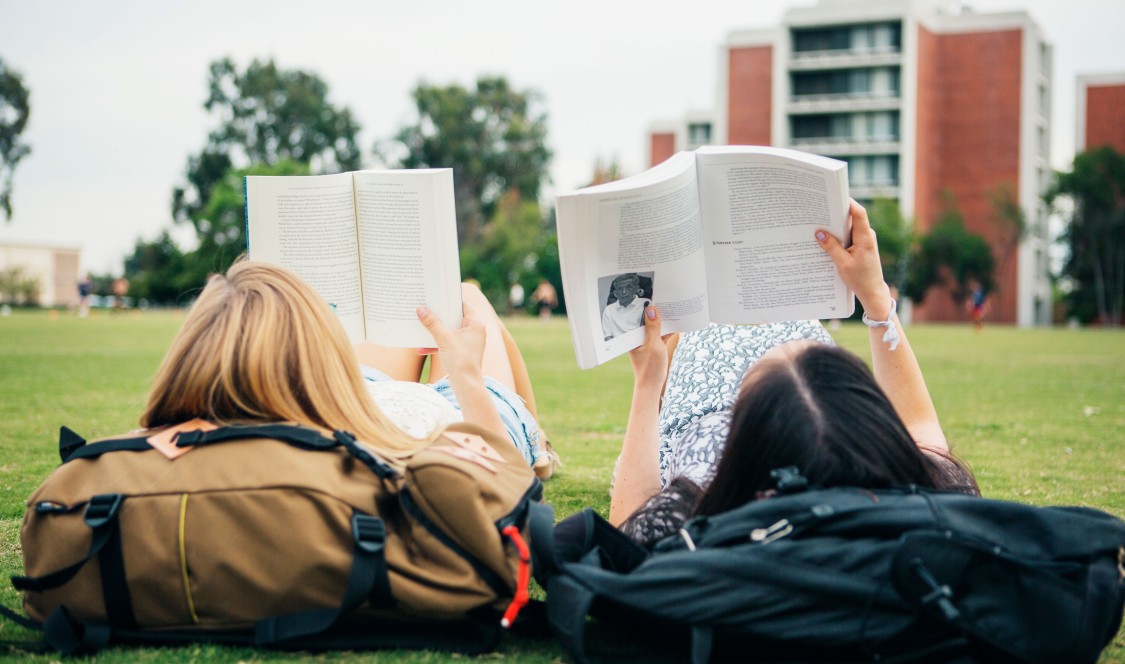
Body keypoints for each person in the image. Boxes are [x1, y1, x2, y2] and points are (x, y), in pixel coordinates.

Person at [605, 200, 977, 548]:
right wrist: (876, 297)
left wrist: (648, 382)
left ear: (743, 429)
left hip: (703, 387)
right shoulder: (902, 487)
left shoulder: (706, 486)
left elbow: (628, 526)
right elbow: (919, 424)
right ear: (865, 421)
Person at [142, 259, 558, 478]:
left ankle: (537, 441)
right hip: (466, 422)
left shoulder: (181, 441)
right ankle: (538, 446)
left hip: (341, 393)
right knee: (466, 298)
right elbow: (505, 493)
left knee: (439, 305)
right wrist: (466, 377)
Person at [602, 273, 650, 340]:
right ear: (615, 293)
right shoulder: (608, 310)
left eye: (628, 287)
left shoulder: (646, 303)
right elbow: (607, 336)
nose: (624, 292)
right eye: (620, 288)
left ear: (636, 289)